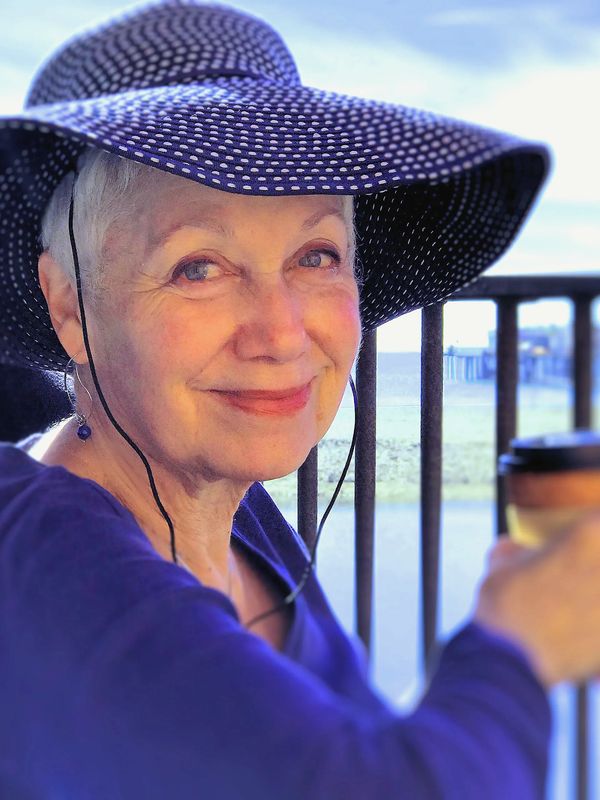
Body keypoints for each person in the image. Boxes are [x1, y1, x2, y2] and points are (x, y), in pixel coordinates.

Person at [1, 1, 599, 798]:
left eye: (316, 255)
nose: (282, 335)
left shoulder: (232, 508)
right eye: (198, 267)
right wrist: (518, 647)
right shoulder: (50, 578)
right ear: (70, 305)